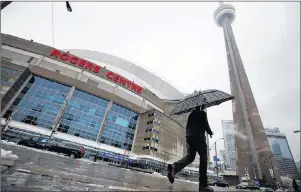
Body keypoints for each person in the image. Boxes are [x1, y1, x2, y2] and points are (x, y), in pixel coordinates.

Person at [167, 105, 214, 192]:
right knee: (203, 159)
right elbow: (206, 125)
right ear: (202, 105)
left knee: (190, 157)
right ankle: (203, 185)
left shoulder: (191, 114)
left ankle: (174, 167)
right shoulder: (202, 113)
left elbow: (188, 127)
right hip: (199, 137)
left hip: (189, 137)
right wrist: (210, 132)